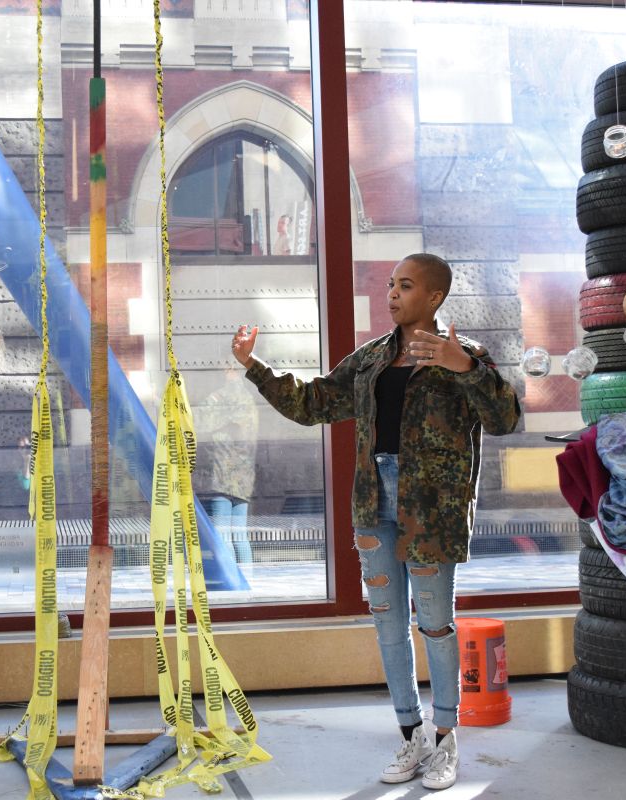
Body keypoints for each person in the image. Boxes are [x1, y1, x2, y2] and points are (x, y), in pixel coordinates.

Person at [230, 253, 519, 791]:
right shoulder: (371, 359)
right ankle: (411, 735)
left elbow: (504, 418)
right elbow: (313, 403)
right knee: (388, 624)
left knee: (435, 623)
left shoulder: (464, 356)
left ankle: (446, 738)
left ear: (434, 297)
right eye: (390, 284)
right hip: (373, 504)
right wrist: (255, 366)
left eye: (405, 286)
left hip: (430, 511)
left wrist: (465, 368)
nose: (392, 294)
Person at [194, 365, 259, 578]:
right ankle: (248, 579)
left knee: (222, 535)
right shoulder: (249, 400)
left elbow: (197, 420)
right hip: (244, 479)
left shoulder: (221, 397)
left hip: (223, 477)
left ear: (228, 371)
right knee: (240, 535)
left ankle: (230, 581)